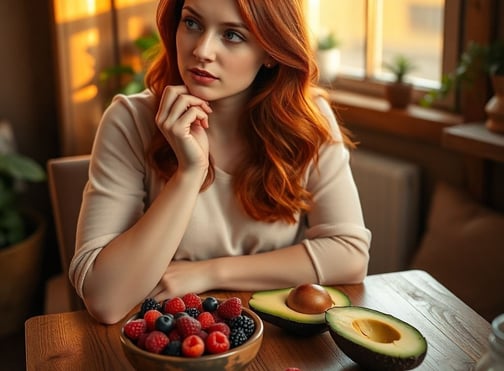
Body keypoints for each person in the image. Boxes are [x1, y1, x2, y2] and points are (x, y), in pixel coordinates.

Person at [69, 0, 371, 325]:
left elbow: (349, 254)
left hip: (268, 330)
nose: (202, 50)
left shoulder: (307, 122)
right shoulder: (129, 120)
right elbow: (106, 300)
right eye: (192, 23)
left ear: (271, 51)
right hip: (161, 336)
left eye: (232, 35)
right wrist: (189, 174)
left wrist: (209, 273)